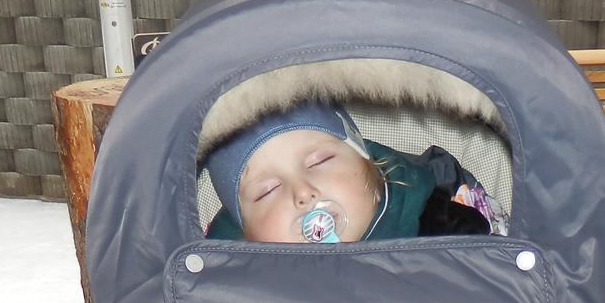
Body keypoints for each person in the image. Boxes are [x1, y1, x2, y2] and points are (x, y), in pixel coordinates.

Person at [202, 99, 509, 244]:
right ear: (248, 232)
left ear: (371, 167)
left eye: (319, 162)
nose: (303, 193)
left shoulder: (442, 228)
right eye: (266, 191)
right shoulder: (229, 286)